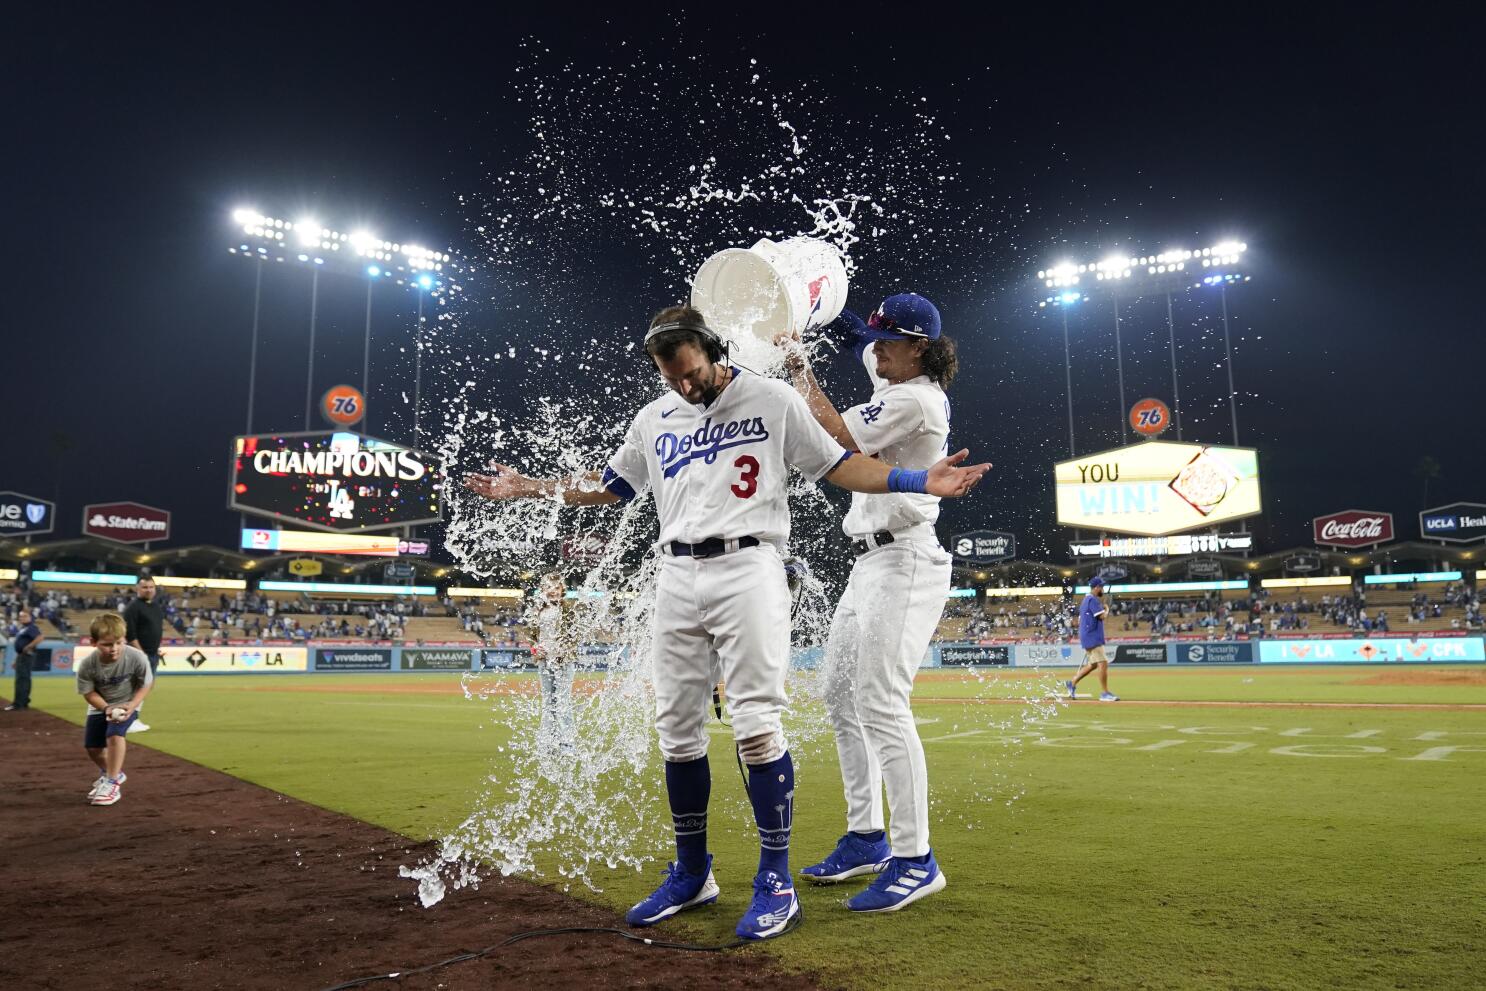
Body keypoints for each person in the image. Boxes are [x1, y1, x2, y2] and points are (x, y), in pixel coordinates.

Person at [463, 304, 989, 941]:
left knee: (757, 724)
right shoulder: (655, 417)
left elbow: (837, 462)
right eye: (670, 376)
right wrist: (528, 488)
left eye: (691, 371)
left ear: (714, 350)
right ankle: (694, 872)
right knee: (677, 730)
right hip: (675, 573)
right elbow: (612, 487)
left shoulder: (768, 397)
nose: (684, 385)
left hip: (750, 564)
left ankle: (777, 880)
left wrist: (916, 478)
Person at [776, 293, 963, 913]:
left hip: (907, 557)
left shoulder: (913, 397)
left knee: (881, 701)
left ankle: (916, 860)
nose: (874, 349)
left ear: (920, 350)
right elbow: (862, 335)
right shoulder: (896, 368)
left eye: (890, 341)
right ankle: (867, 837)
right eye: (877, 338)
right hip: (871, 560)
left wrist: (796, 364)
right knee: (838, 694)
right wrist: (825, 313)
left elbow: (834, 436)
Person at [76, 613, 154, 806]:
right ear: (93, 642)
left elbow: (146, 685)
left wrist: (132, 705)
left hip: (128, 702)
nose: (114, 649)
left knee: (114, 734)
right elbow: (89, 693)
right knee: (93, 748)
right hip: (100, 705)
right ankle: (114, 773)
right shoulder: (87, 665)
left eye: (119, 642)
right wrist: (106, 708)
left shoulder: (137, 657)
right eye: (107, 644)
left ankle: (111, 783)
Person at [532, 571, 577, 752]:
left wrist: (563, 649)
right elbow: (531, 636)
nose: (553, 591)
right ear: (543, 589)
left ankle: (567, 743)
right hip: (544, 660)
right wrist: (535, 648)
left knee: (563, 702)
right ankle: (548, 742)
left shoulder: (567, 609)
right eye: (549, 588)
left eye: (556, 588)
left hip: (563, 660)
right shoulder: (538, 610)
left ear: (562, 589)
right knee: (548, 702)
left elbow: (575, 636)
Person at [123, 574, 164, 733]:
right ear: (137, 589)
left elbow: (154, 630)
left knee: (146, 687)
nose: (148, 590)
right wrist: (142, 654)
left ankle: (133, 718)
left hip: (152, 654)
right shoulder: (133, 608)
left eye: (151, 587)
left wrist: (155, 649)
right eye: (145, 587)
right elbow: (130, 634)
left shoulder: (155, 606)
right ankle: (129, 720)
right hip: (138, 655)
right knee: (137, 687)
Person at [1067, 578, 1118, 701]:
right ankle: (1105, 693)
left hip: (1088, 635)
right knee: (1103, 663)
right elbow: (1101, 616)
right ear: (1096, 587)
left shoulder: (1086, 600)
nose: (1103, 589)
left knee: (1093, 665)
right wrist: (1106, 609)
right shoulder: (1092, 599)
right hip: (1092, 636)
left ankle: (1072, 682)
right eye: (1101, 587)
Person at [5, 608, 43, 711]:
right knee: (24, 679)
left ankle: (18, 704)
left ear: (30, 617)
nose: (21, 618)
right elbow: (20, 647)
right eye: (20, 616)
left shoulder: (31, 627)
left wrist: (29, 646)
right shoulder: (23, 628)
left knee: (21, 680)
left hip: (27, 656)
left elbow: (40, 637)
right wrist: (15, 659)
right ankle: (24, 702)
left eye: (24, 616)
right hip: (22, 656)